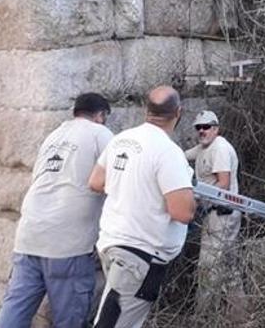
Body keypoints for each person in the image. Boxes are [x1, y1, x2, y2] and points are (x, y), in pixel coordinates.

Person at [0, 93, 113, 328]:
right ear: (101, 115)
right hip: (67, 243)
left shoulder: (54, 136)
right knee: (70, 317)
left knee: (15, 310)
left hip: (29, 236)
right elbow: (117, 178)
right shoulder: (101, 134)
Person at [88, 85, 196, 328]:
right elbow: (183, 212)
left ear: (145, 110)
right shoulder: (169, 152)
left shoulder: (121, 139)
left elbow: (95, 182)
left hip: (113, 245)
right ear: (178, 112)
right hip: (140, 256)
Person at [184, 110, 243, 315]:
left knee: (208, 265)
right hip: (214, 213)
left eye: (206, 127)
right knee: (228, 266)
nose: (202, 131)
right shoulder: (203, 147)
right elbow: (181, 157)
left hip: (222, 214)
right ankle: (239, 314)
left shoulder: (219, 149)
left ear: (216, 129)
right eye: (198, 127)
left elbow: (223, 184)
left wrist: (197, 199)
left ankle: (203, 316)